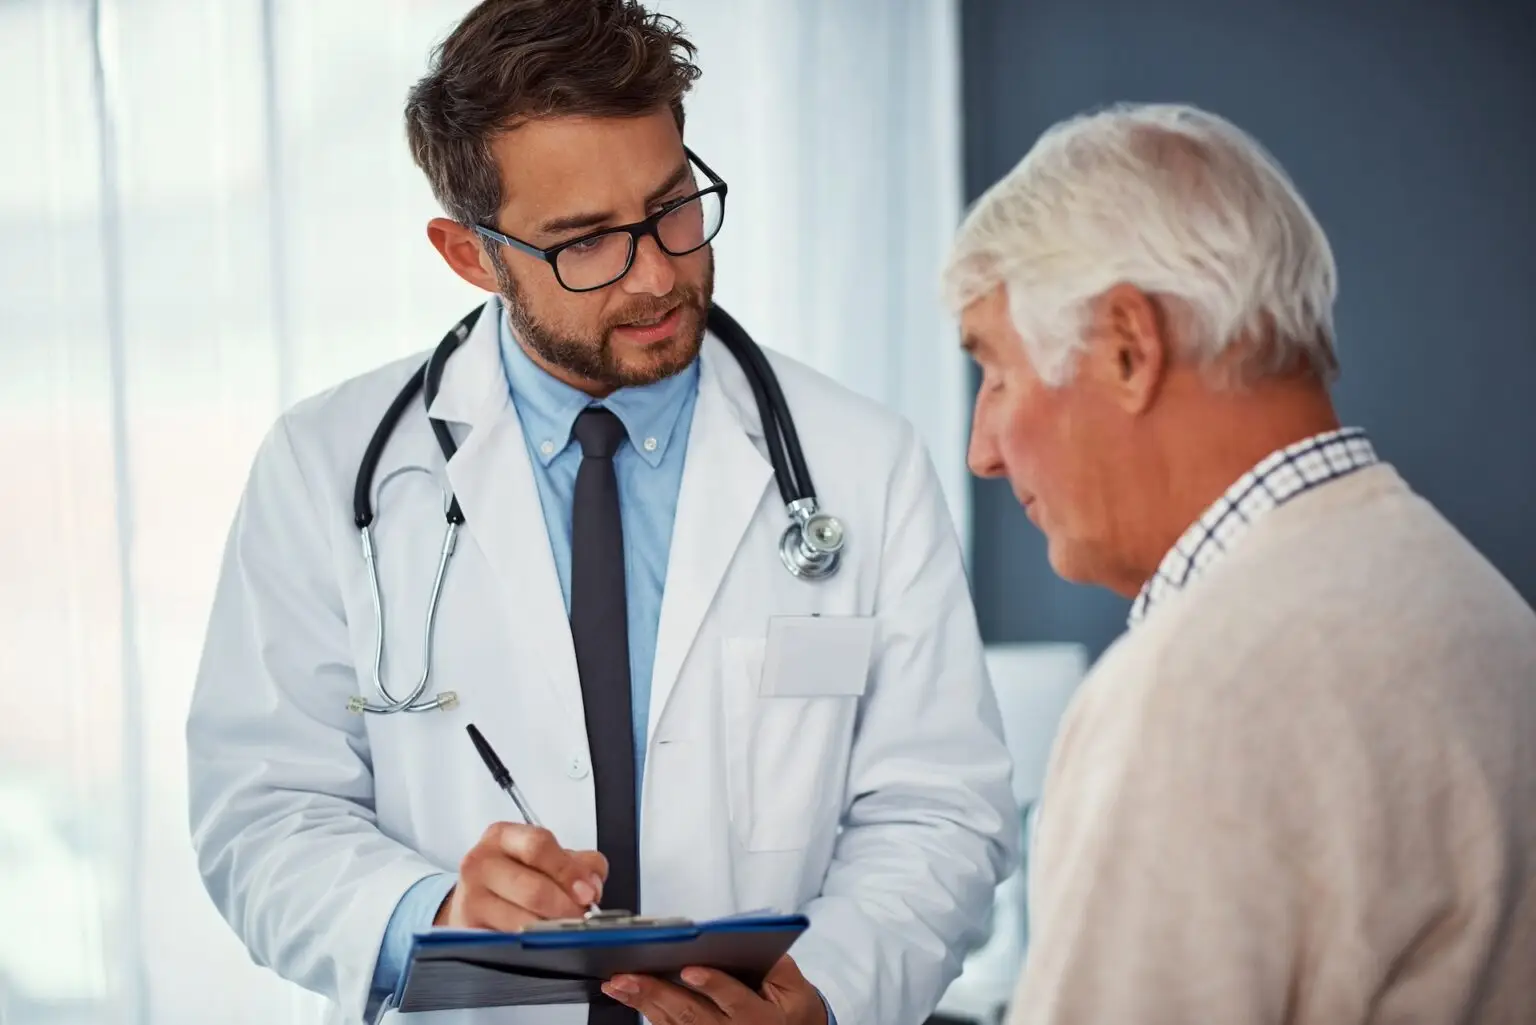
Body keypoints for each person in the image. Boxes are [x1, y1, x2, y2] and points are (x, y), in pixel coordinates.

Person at [185, 2, 1017, 1024]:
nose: (660, 274)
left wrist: (827, 995)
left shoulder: (861, 460)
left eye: (673, 207)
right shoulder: (325, 471)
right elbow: (262, 811)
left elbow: (941, 808)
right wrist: (429, 906)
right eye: (585, 243)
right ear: (469, 253)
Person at [943, 101, 1536, 1025]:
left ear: (1129, 349)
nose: (981, 448)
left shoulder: (1198, 690)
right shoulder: (1477, 603)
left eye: (998, 372)